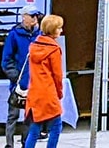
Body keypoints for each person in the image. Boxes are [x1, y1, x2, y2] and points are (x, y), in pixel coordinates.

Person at [21, 15, 66, 148]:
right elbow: (57, 75)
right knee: (56, 126)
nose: (61, 30)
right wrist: (59, 93)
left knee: (35, 128)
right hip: (48, 91)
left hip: (34, 92)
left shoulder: (34, 46)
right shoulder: (54, 49)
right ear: (53, 30)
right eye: (59, 28)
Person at [0, 7, 41, 142]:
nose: (35, 18)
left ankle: (26, 142)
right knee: (13, 114)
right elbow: (7, 59)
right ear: (24, 17)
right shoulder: (14, 34)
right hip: (18, 82)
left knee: (30, 115)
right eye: (32, 15)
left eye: (37, 15)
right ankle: (9, 143)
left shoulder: (40, 34)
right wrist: (16, 77)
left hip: (35, 82)